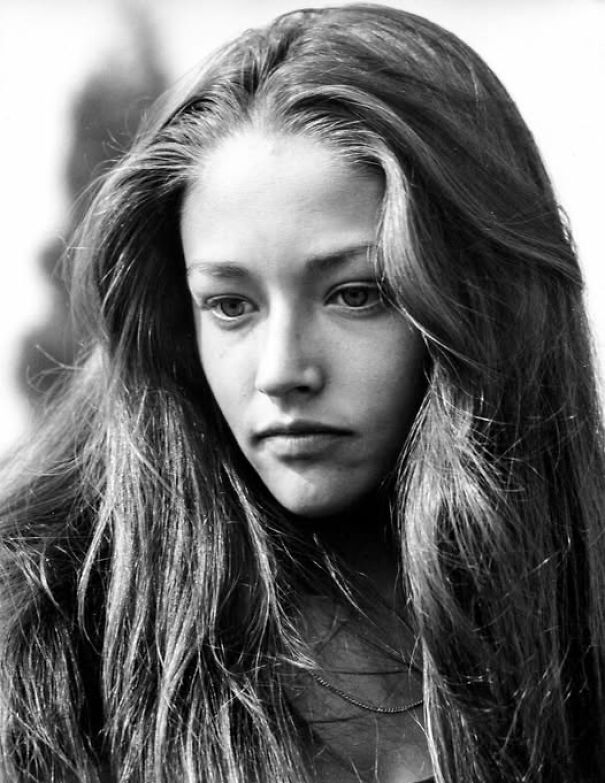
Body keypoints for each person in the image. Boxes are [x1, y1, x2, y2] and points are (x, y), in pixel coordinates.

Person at [1, 4, 604, 782]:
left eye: (355, 294)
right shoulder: (51, 642)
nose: (281, 369)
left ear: (484, 302)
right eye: (231, 306)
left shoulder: (579, 625)